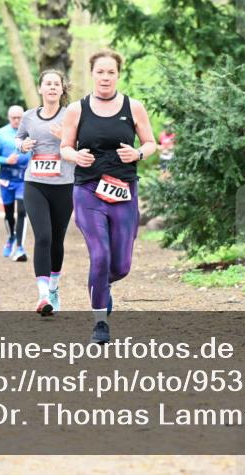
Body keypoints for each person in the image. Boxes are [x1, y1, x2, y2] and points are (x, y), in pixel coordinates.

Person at [60, 49, 156, 344]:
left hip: (124, 190)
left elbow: (151, 143)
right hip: (88, 190)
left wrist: (137, 153)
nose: (105, 77)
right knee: (99, 256)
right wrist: (76, 156)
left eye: (110, 72)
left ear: (118, 74)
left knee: (121, 266)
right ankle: (100, 322)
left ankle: (101, 286)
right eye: (100, 71)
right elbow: (64, 147)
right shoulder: (77, 109)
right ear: (92, 74)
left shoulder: (134, 107)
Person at [16, 70, 75, 316]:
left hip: (64, 184)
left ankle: (53, 288)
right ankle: (42, 296)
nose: (52, 87)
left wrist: (67, 139)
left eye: (56, 84)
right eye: (47, 84)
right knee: (43, 236)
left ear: (62, 89)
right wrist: (22, 145)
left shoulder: (72, 115)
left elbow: (83, 145)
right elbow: (18, 140)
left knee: (57, 239)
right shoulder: (29, 117)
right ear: (40, 89)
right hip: (35, 183)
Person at [0, 106, 30, 262]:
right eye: (13, 117)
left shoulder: (30, 132)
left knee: (21, 211)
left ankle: (20, 247)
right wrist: (6, 160)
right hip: (6, 178)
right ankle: (11, 237)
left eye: (19, 117)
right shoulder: (1, 133)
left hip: (24, 178)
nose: (16, 120)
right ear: (8, 118)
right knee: (8, 212)